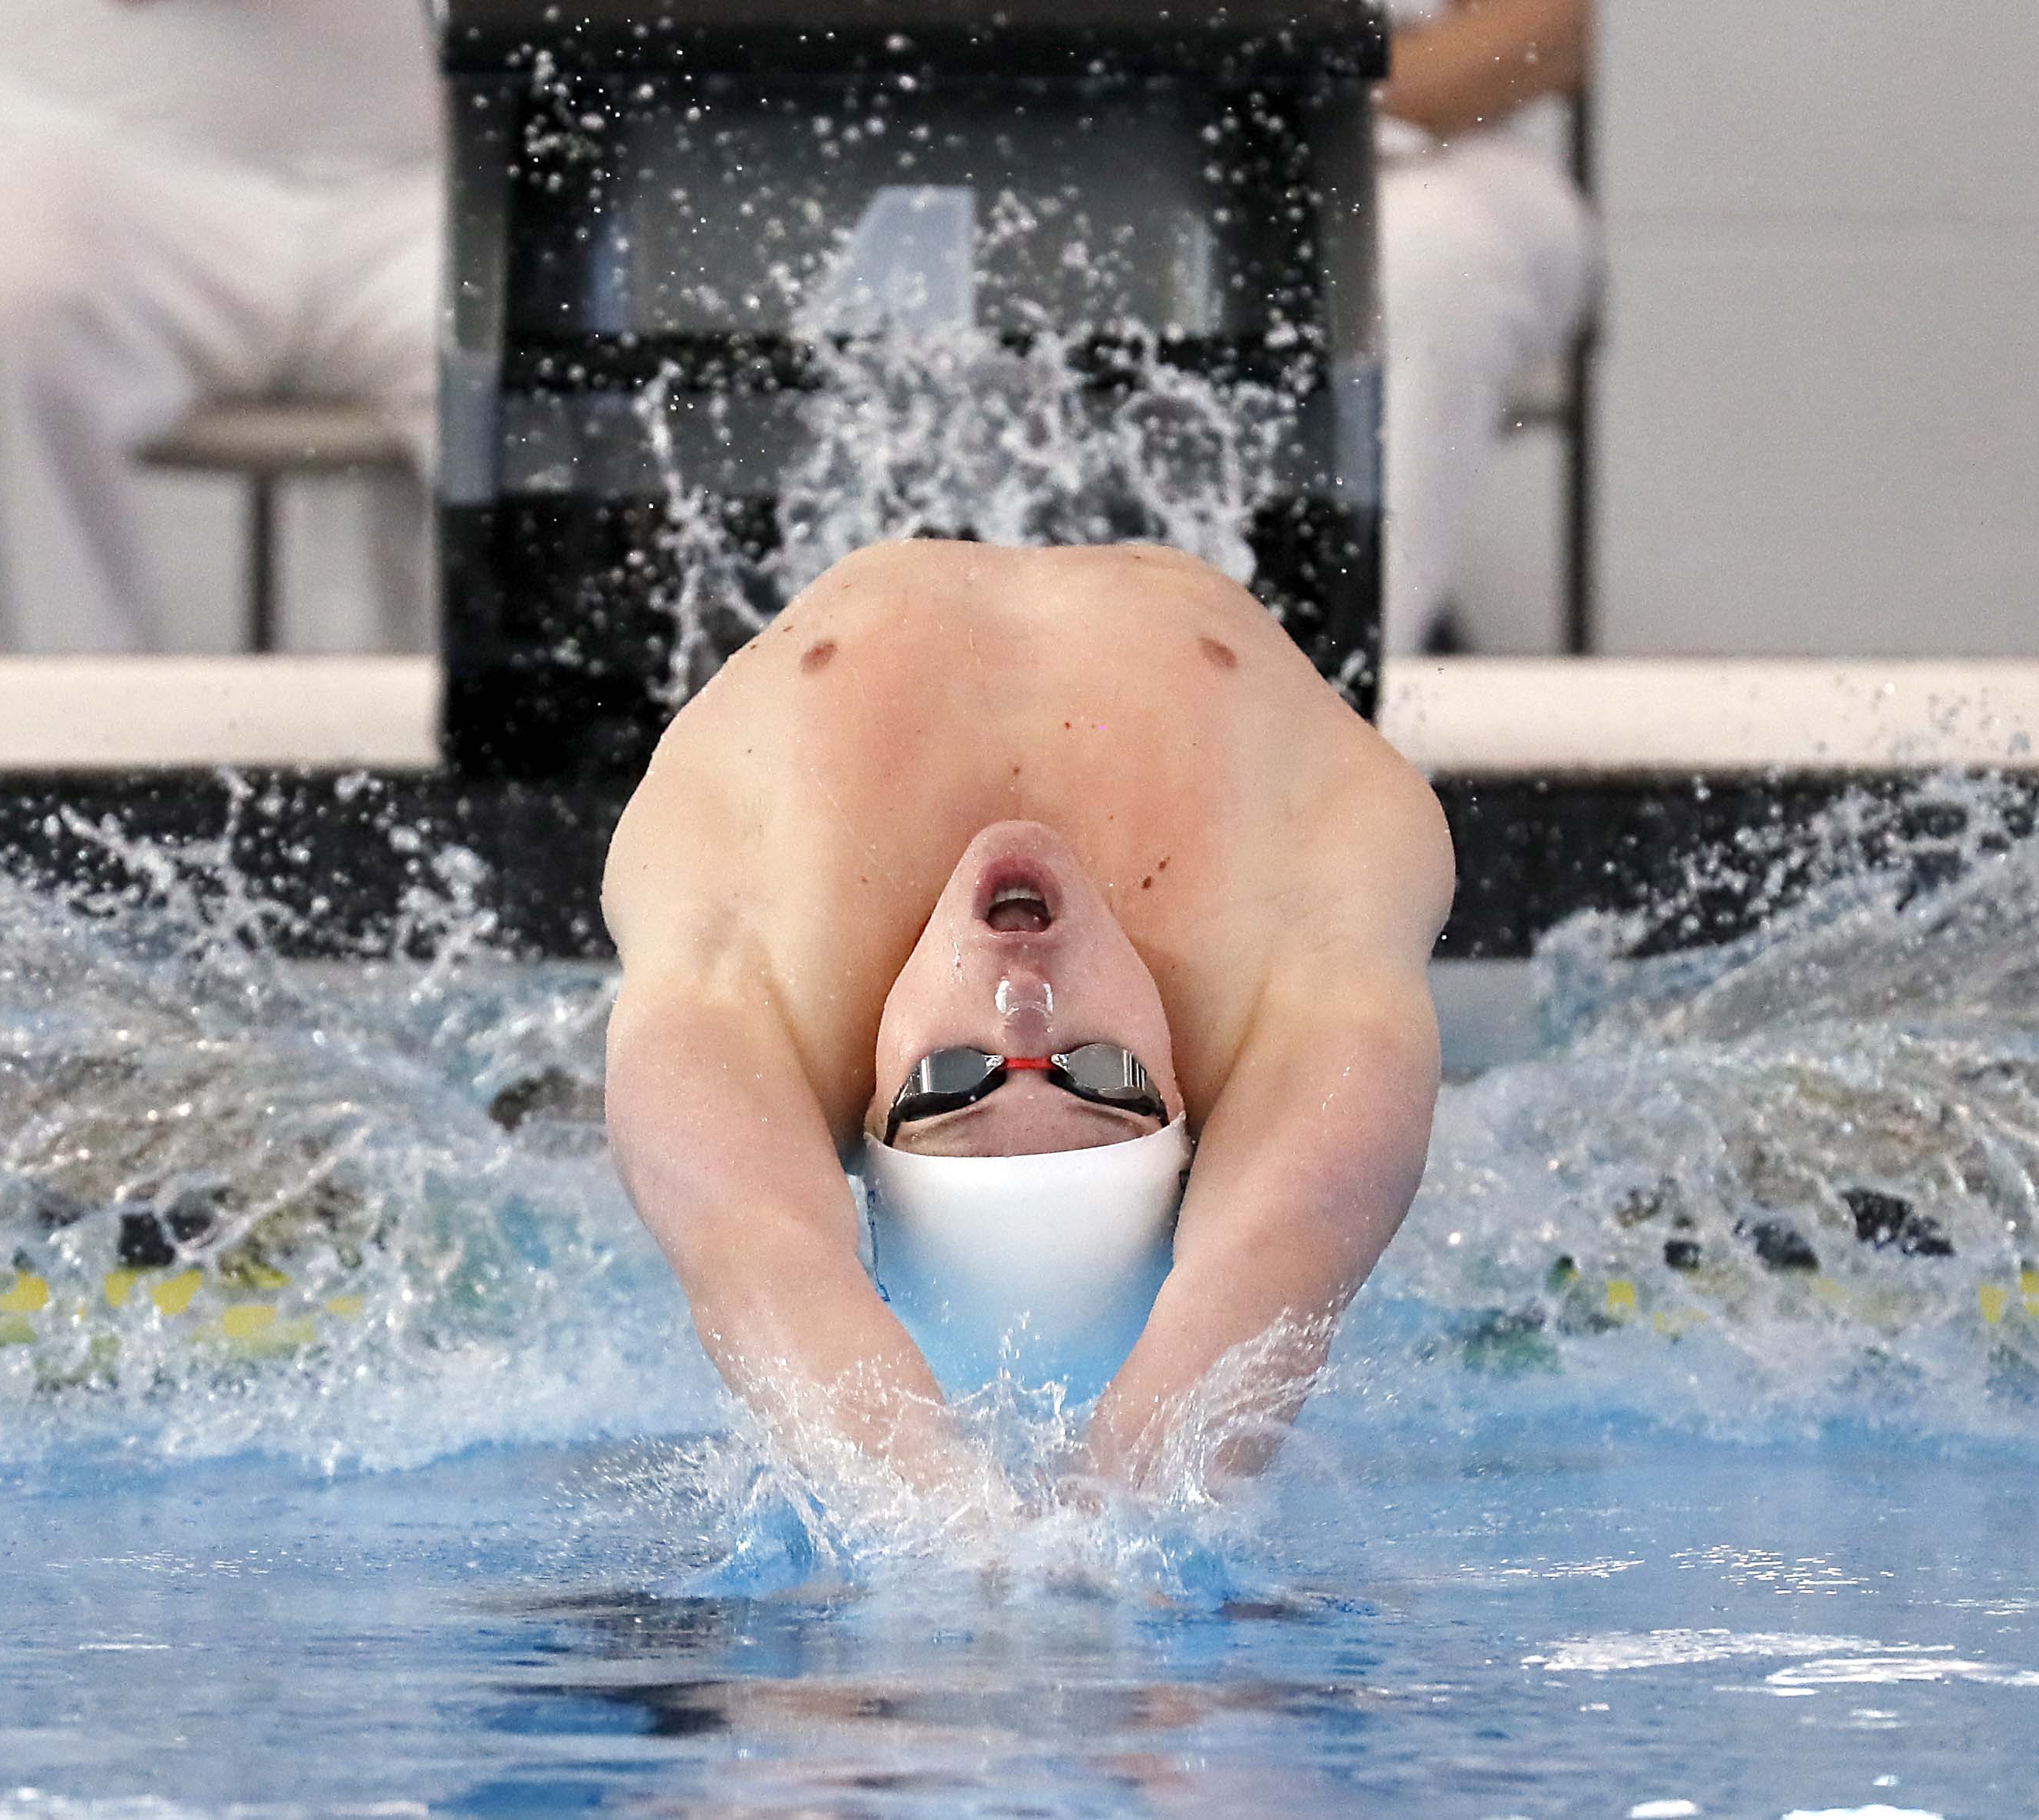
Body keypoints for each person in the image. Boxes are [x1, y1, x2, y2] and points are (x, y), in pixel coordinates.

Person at [600, 539, 1453, 1501]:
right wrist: (1107, 1527)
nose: (1022, 1006)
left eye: (950, 1080)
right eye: (1100, 1073)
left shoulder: (759, 984)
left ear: (869, 1107)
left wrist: (951, 1526)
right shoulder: (1294, 972)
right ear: (1188, 1104)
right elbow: (1278, 1251)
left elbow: (755, 1249)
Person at [0, 0, 439, 653]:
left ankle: (516, 737)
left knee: (553, 340)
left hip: (446, 161)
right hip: (82, 131)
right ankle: (55, 739)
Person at [1377, 0, 1600, 653]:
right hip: (1112, 145)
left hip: (1435, 149)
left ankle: (1355, 685)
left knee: (1436, 258)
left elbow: (1552, 32)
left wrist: (1292, 81)